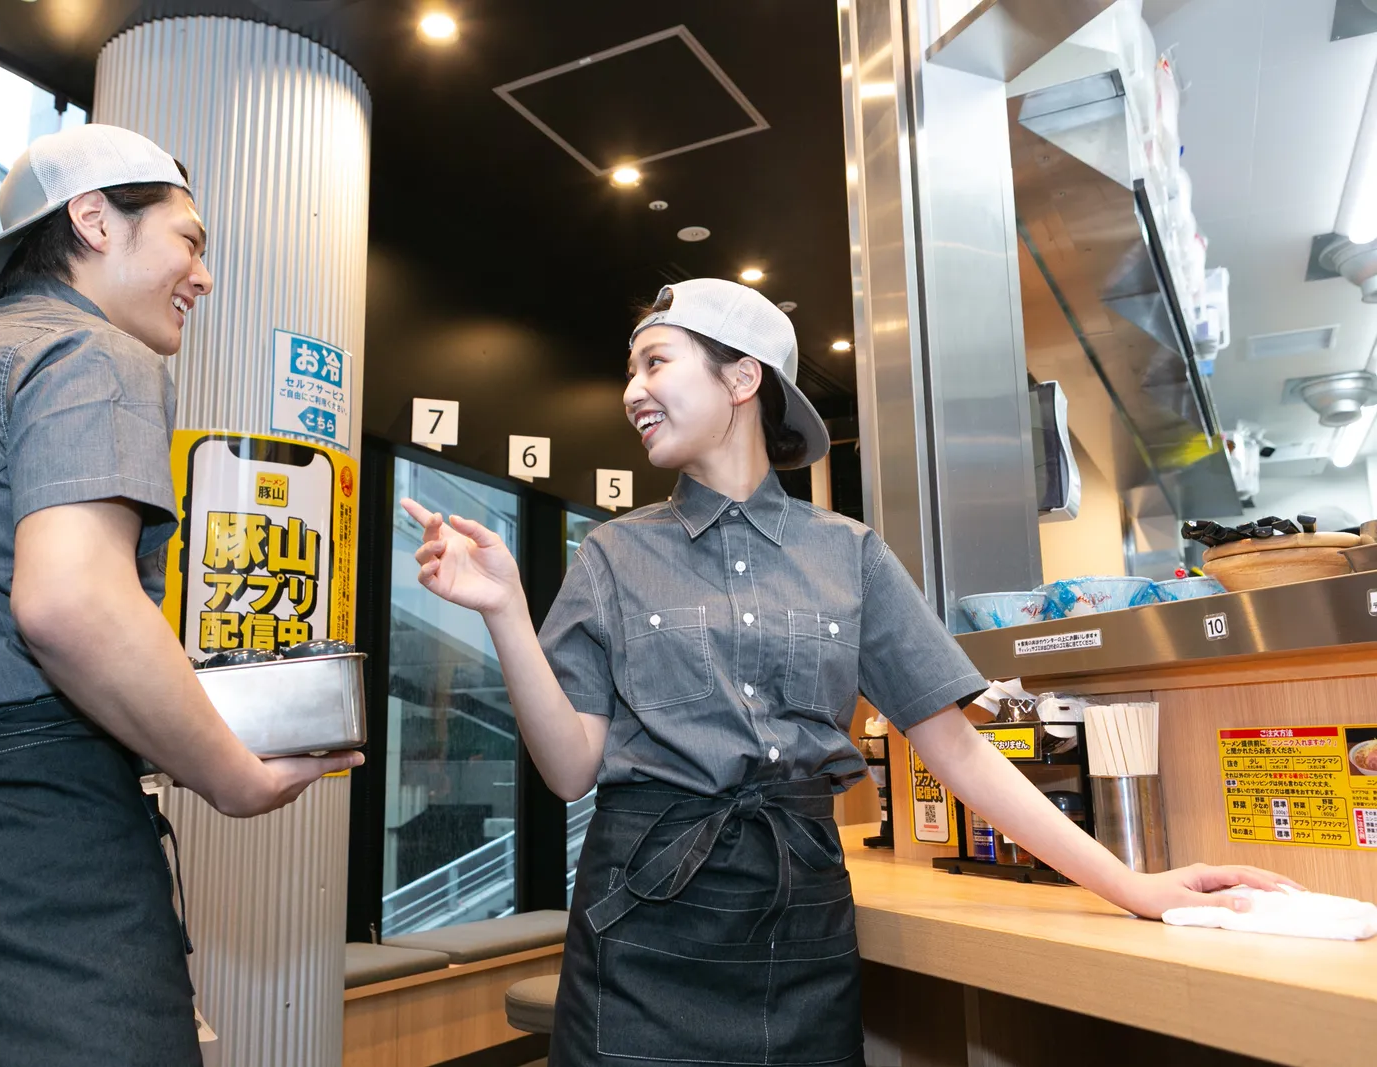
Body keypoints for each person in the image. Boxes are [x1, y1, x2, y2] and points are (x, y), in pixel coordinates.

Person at [401, 278, 1296, 1066]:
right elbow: (570, 770)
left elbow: (959, 751)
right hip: (640, 925)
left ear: (741, 379)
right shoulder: (610, 554)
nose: (631, 390)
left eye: (655, 362)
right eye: (630, 370)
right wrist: (504, 611)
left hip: (801, 920)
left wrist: (1134, 885)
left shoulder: (851, 553)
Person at [0, 124, 362, 1067]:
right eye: (189, 240)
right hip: (28, 881)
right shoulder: (94, 352)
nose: (204, 275)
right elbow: (71, 605)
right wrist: (232, 773)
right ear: (94, 221)